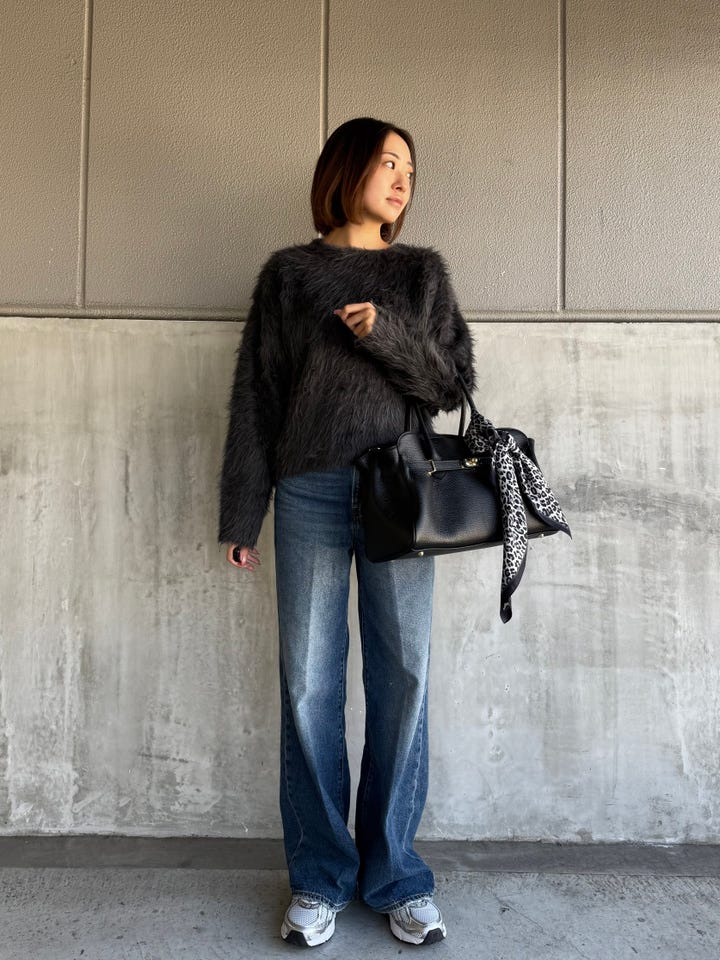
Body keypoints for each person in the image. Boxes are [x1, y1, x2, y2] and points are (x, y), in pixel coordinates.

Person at [219, 117, 475, 947]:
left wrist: (385, 335)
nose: (402, 179)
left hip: (403, 493)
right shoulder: (290, 276)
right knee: (307, 684)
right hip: (309, 493)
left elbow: (451, 387)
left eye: (410, 168)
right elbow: (258, 399)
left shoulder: (420, 273)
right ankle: (321, 877)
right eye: (387, 162)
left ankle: (396, 874)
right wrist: (242, 513)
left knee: (404, 677)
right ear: (345, 168)